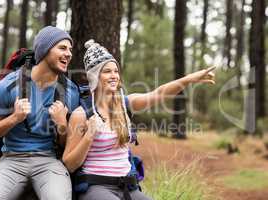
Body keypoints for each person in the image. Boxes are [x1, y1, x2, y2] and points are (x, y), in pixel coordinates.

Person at [62, 40, 215, 200]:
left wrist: (189, 79)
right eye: (107, 71)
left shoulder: (126, 104)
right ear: (94, 76)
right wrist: (88, 137)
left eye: (116, 71)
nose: (114, 76)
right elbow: (69, 164)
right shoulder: (82, 115)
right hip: (97, 187)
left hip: (129, 187)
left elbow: (159, 93)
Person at [0, 26, 79, 200]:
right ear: (44, 50)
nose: (69, 54)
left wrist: (62, 125)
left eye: (70, 49)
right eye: (62, 48)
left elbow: (68, 145)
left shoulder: (70, 91)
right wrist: (14, 119)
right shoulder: (9, 85)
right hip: (12, 160)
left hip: (49, 161)